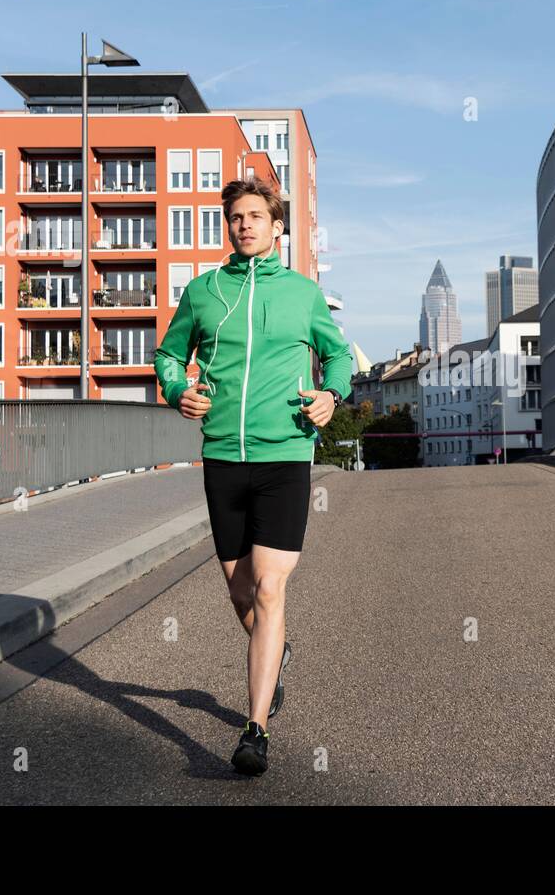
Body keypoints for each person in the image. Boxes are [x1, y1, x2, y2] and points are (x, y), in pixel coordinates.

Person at [154, 177, 352, 777]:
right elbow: (168, 354)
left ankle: (255, 727)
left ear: (277, 227)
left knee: (270, 589)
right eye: (236, 217)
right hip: (223, 458)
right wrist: (176, 390)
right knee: (241, 591)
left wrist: (331, 395)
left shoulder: (301, 294)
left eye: (256, 217)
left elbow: (338, 354)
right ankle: (277, 648)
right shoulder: (203, 292)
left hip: (286, 453)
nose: (245, 225)